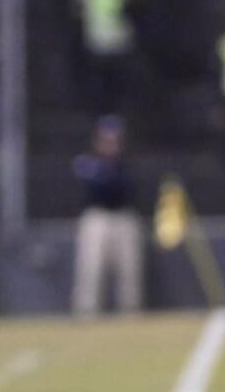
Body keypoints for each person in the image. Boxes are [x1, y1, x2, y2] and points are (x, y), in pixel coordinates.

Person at [71, 115, 143, 316]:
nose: (111, 145)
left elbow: (125, 187)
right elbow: (97, 188)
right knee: (91, 271)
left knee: (129, 272)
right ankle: (86, 314)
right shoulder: (88, 163)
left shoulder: (125, 164)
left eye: (115, 140)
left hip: (123, 217)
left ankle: (131, 314)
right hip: (97, 218)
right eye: (107, 140)